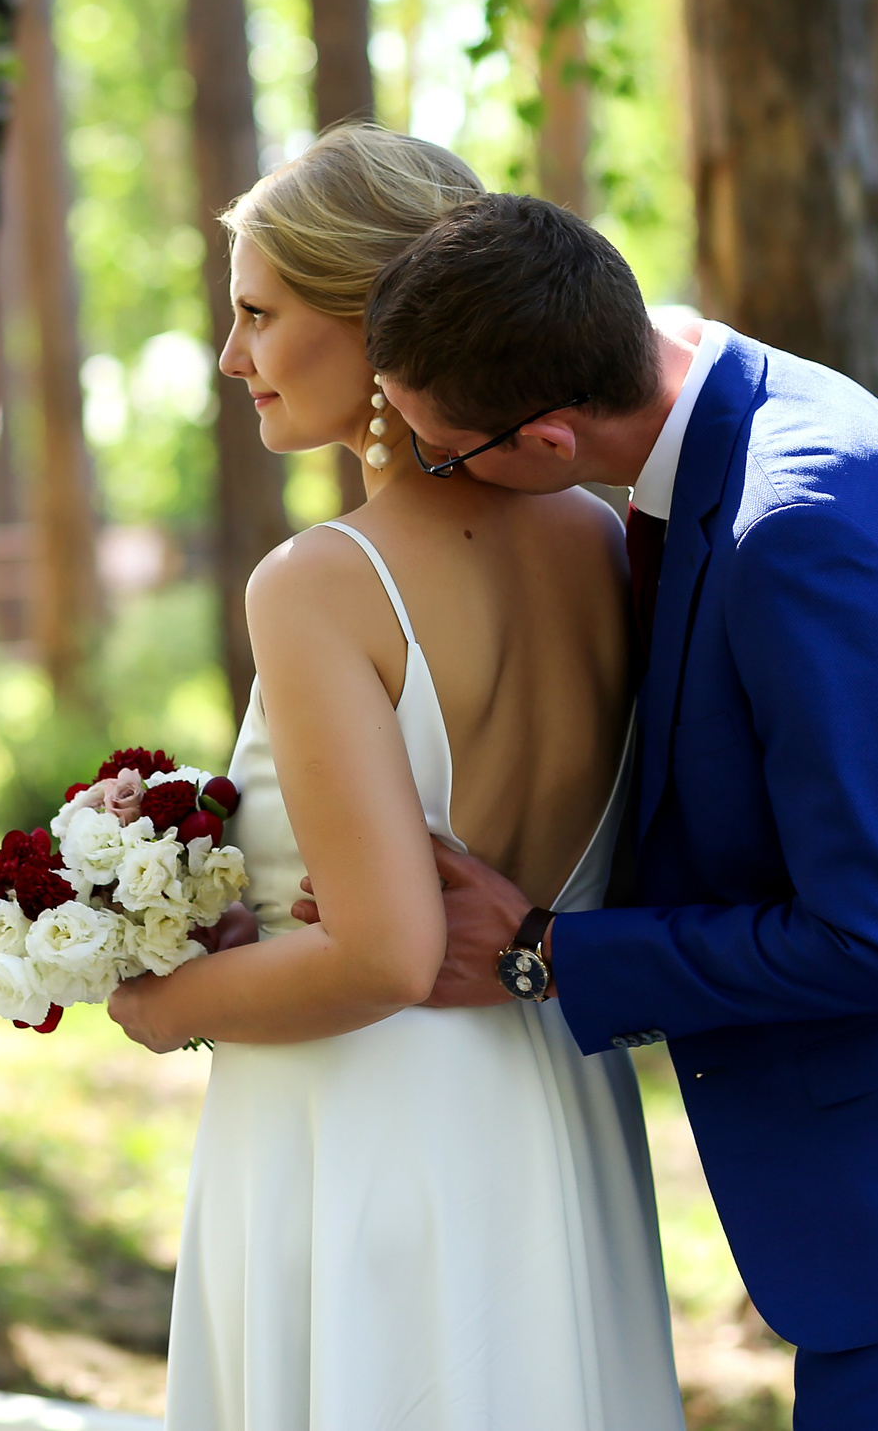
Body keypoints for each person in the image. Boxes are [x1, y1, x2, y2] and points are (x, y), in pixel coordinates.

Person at [333, 192, 878, 1431]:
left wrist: (540, 953)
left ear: (547, 444)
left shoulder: (796, 530)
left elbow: (871, 935)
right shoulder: (737, 392)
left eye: (438, 454)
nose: (426, 475)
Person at [104, 128, 685, 1431]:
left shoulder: (321, 584)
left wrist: (159, 998)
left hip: (369, 1137)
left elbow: (383, 952)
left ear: (373, 325)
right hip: (556, 1110)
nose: (231, 354)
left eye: (258, 312)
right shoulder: (603, 540)